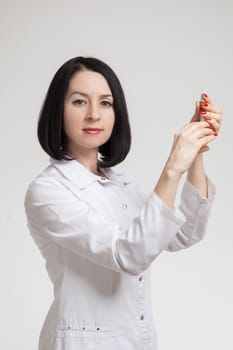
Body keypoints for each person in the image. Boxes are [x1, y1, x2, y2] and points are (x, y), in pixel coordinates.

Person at [24, 56, 222, 350]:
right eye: (79, 102)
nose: (94, 114)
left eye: (105, 102)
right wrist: (172, 169)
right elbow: (128, 255)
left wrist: (195, 153)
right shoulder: (48, 191)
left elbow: (184, 234)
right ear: (58, 111)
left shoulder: (120, 184)